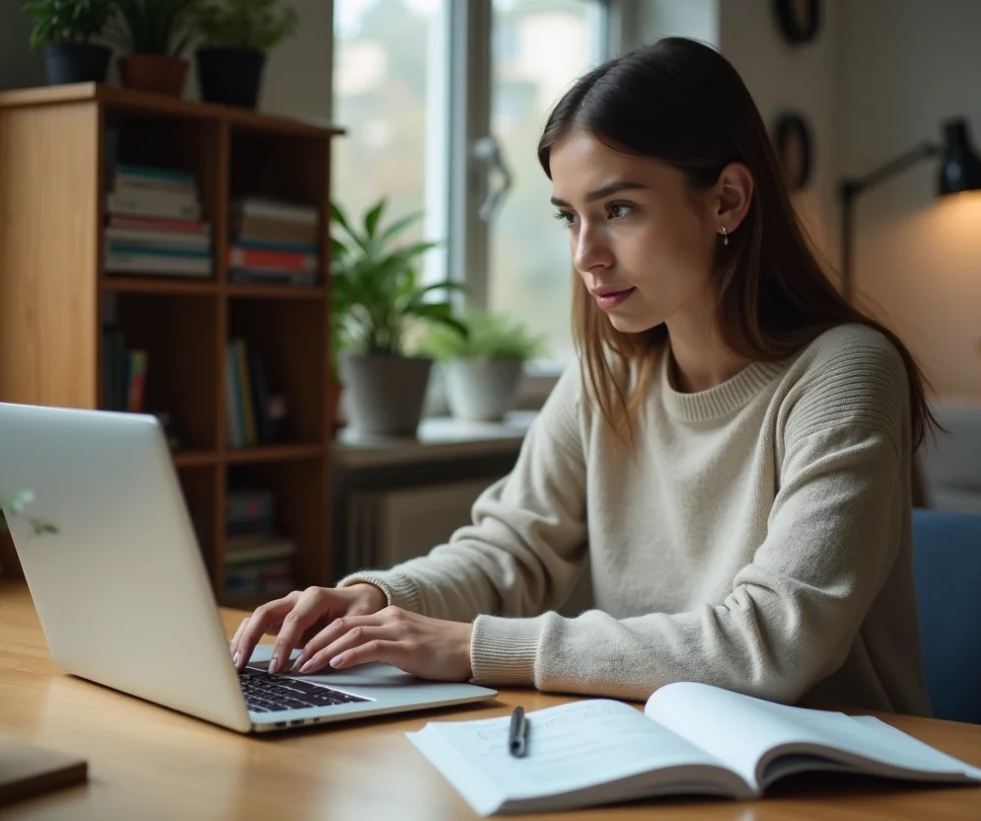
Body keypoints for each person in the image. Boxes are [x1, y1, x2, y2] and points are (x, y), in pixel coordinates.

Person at [230, 36, 935, 716]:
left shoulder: (844, 372)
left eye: (618, 210)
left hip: (831, 766)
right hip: (658, 742)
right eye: (570, 217)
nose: (585, 254)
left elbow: (776, 639)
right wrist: (378, 598)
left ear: (727, 199)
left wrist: (475, 647)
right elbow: (510, 552)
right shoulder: (608, 375)